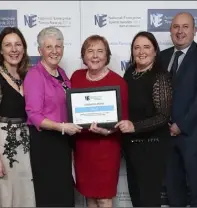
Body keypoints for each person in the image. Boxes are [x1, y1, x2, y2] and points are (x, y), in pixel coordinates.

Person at [158, 12, 197, 207]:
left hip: (192, 135)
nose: (180, 31)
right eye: (176, 27)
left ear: (194, 30)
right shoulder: (162, 56)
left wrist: (180, 125)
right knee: (173, 189)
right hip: (165, 136)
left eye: (185, 26)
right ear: (170, 30)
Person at [23, 26, 82, 207]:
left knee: (64, 192)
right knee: (50, 194)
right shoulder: (35, 75)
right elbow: (33, 114)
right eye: (49, 47)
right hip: (45, 143)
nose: (54, 51)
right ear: (40, 50)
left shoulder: (62, 74)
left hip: (62, 142)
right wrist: (61, 127)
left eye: (58, 46)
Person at [0, 27, 35, 207]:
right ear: (0, 50)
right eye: (8, 45)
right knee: (3, 193)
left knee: (23, 194)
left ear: (24, 48)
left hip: (25, 145)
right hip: (2, 145)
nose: (14, 49)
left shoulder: (27, 76)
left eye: (18, 44)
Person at [70, 35, 129, 208]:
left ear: (107, 56)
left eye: (100, 51)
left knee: (104, 198)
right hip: (83, 147)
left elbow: (123, 119)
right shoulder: (76, 77)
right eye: (90, 51)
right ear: (84, 56)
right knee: (89, 196)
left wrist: (108, 131)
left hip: (106, 147)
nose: (95, 56)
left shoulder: (118, 82)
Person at [115, 31, 172, 207]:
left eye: (146, 47)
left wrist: (135, 127)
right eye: (136, 47)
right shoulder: (130, 72)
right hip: (132, 147)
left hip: (152, 148)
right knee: (136, 197)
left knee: (149, 199)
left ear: (155, 51)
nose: (141, 51)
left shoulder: (160, 76)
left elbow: (163, 116)